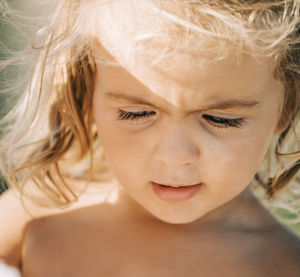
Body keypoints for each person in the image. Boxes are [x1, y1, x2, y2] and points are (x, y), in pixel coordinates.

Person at [0, 0, 300, 276]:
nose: (174, 155)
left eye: (220, 119)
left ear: (287, 105)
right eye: (136, 113)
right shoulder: (30, 221)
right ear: (86, 91)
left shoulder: (283, 265)